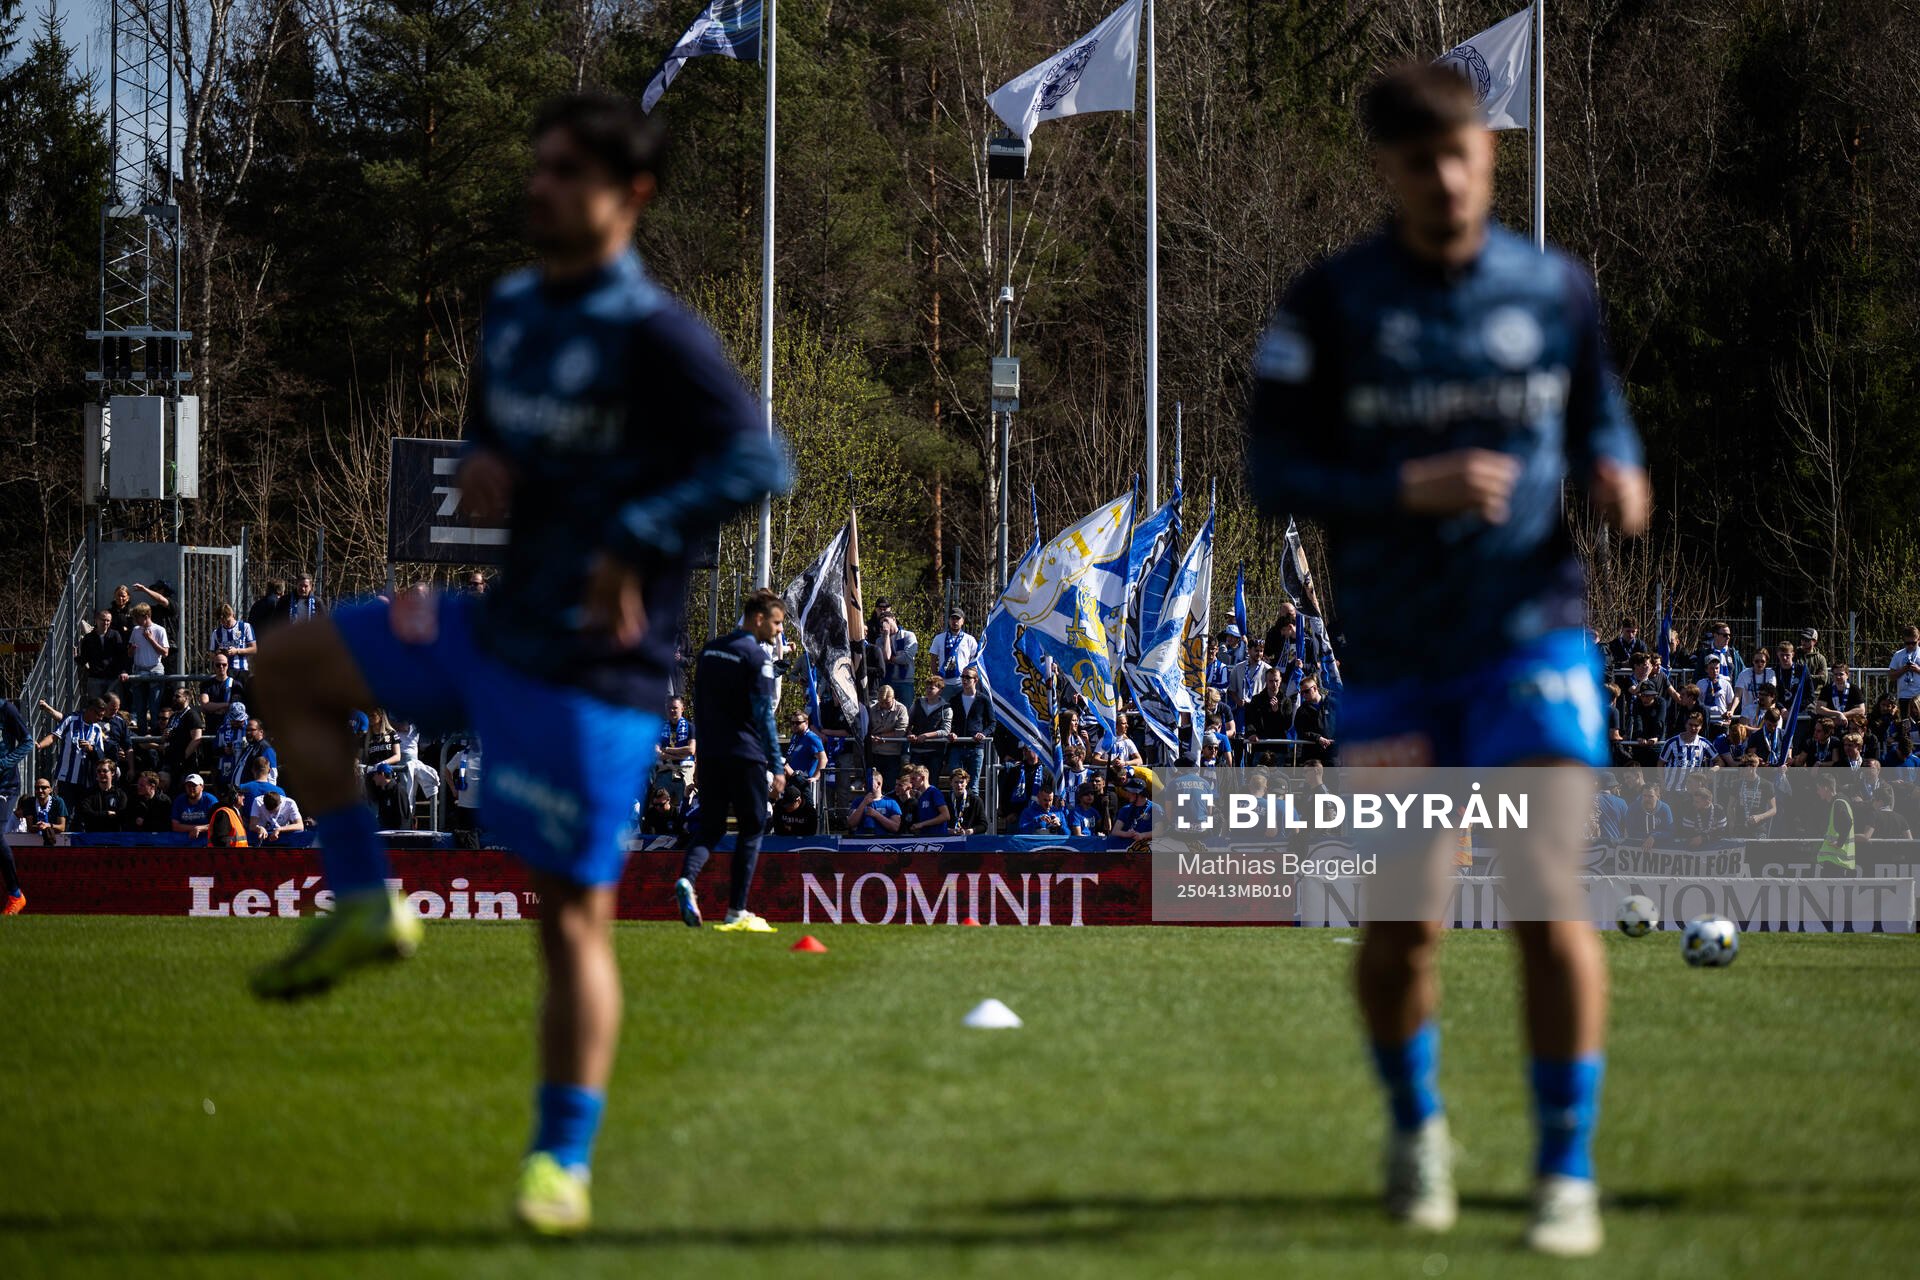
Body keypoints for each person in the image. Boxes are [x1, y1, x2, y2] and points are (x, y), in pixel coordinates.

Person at [245, 93, 787, 1236]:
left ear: (629, 197)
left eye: (566, 173)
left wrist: (640, 536)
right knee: (285, 668)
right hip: (489, 629)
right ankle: (364, 899)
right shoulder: (508, 312)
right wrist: (485, 470)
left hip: (596, 673)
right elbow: (500, 444)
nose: (538, 186)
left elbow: (756, 459)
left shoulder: (661, 337)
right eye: (536, 166)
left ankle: (560, 1162)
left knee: (570, 922)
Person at [1243, 64, 1651, 1256]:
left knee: (1547, 897)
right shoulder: (1329, 304)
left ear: (1490, 152)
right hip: (1397, 657)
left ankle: (1563, 1171)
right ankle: (1418, 1127)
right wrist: (1399, 487)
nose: (1449, 176)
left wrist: (1620, 466)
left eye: (1465, 151)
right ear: (1385, 169)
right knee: (1404, 927)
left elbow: (1598, 412)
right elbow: (1274, 475)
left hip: (1532, 634)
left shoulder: (1553, 286)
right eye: (1421, 159)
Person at [672, 590, 787, 933]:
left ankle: (687, 880)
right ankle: (737, 911)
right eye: (778, 623)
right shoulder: (757, 658)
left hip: (710, 754)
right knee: (752, 827)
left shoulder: (709, 650)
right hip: (746, 755)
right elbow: (765, 717)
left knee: (711, 827)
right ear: (759, 618)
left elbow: (699, 705)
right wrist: (777, 766)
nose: (780, 631)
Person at [39, 696, 107, 814]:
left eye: (102, 716)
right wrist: (40, 745)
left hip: (86, 780)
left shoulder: (96, 729)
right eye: (99, 715)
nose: (100, 719)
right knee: (66, 813)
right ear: (90, 710)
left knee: (82, 815)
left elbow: (101, 755)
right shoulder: (71, 720)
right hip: (66, 778)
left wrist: (91, 748)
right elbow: (54, 736)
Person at [0, 694, 29, 911]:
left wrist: (4, 763)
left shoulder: (6, 709)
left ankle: (15, 894)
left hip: (5, 785)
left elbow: (28, 742)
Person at [124, 603, 170, 732]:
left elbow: (165, 653)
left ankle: (155, 735)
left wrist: (150, 639)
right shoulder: (135, 630)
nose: (136, 621)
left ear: (146, 616)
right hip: (139, 669)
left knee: (154, 707)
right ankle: (142, 736)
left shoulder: (159, 630)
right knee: (140, 707)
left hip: (155, 669)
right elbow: (129, 653)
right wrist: (131, 649)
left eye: (137, 617)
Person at [77, 609, 129, 702]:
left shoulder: (115, 635)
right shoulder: (88, 638)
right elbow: (84, 658)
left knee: (113, 706)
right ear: (96, 620)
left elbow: (121, 655)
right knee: (96, 706)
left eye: (108, 620)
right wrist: (76, 657)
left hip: (113, 678)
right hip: (95, 678)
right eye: (103, 620)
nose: (105, 622)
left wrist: (123, 670)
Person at [905, 676, 952, 775]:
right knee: (914, 783)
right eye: (927, 688)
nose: (928, 690)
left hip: (935, 752)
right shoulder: (917, 703)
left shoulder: (946, 708)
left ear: (940, 690)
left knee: (932, 783)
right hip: (916, 751)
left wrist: (926, 735)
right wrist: (910, 733)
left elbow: (945, 730)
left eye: (932, 688)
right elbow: (907, 723)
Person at [72, 761, 130, 833]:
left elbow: (122, 816)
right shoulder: (88, 794)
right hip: (93, 837)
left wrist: (97, 815)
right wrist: (107, 814)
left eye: (105, 771)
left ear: (112, 773)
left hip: (114, 838)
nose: (101, 773)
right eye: (99, 771)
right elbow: (86, 814)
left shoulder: (120, 794)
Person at [847, 768, 903, 837]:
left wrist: (876, 815)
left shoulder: (891, 802)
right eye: (864, 783)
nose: (864, 786)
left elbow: (895, 827)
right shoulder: (858, 801)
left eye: (868, 783)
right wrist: (863, 803)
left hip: (882, 844)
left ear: (878, 784)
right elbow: (851, 823)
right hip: (862, 842)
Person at [211, 601, 259, 675]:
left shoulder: (245, 627)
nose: (226, 624)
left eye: (228, 621)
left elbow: (254, 649)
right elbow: (212, 654)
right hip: (225, 673)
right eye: (222, 622)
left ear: (233, 615)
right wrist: (218, 653)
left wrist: (237, 651)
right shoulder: (217, 633)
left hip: (242, 670)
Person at [905, 764, 951, 836]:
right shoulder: (920, 796)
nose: (911, 781)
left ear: (922, 778)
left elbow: (946, 816)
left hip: (938, 838)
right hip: (926, 838)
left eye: (914, 778)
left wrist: (922, 824)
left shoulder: (934, 792)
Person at [170, 773, 218, 839]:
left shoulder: (211, 800)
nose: (191, 788)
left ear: (202, 787)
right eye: (188, 786)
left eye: (194, 785)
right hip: (183, 838)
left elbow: (217, 824)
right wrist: (195, 829)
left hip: (205, 838)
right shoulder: (179, 800)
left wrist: (199, 829)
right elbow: (175, 826)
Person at [947, 768, 985, 836]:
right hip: (950, 839)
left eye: (961, 782)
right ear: (951, 783)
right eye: (956, 782)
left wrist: (971, 831)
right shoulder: (945, 800)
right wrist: (950, 831)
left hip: (970, 840)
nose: (959, 785)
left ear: (966, 783)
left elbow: (983, 825)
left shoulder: (976, 800)